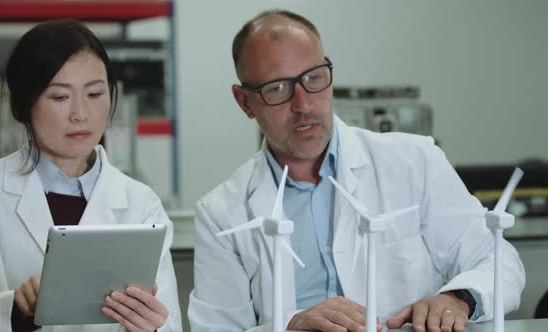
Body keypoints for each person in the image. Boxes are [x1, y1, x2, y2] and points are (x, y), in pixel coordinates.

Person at [188, 9, 525, 332]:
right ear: (245, 102)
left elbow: (498, 259)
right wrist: (290, 324)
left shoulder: (413, 161)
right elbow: (215, 329)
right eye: (277, 88)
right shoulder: (221, 213)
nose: (303, 105)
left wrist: (459, 297)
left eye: (314, 78)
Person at [0, 19, 182, 332]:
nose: (81, 113)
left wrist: (150, 325)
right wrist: (13, 310)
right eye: (60, 97)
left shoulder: (140, 203)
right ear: (24, 105)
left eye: (94, 94)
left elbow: (169, 322)